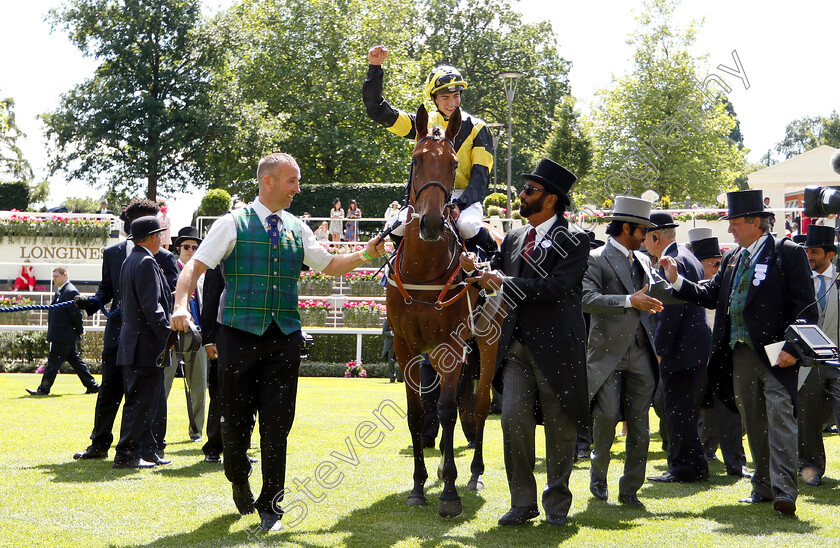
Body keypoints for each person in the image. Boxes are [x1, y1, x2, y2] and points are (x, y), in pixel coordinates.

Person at [171, 152, 386, 532]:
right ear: (268, 181)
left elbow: (328, 265)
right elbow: (194, 267)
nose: (297, 190)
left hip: (284, 337)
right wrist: (180, 305)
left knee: (277, 423)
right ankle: (238, 475)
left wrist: (364, 254)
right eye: (292, 181)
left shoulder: (298, 228)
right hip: (237, 335)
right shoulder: (231, 223)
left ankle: (271, 503)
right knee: (236, 420)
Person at [660, 189, 817, 516]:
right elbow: (708, 294)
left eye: (735, 223)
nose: (729, 229)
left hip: (777, 353)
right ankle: (761, 486)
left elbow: (806, 307)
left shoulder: (787, 252)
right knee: (755, 422)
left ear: (756, 222)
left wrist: (792, 348)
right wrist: (676, 281)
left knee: (780, 422)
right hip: (739, 355)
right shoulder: (733, 258)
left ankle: (785, 491)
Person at [464, 158, 589, 526]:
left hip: (557, 349)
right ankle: (522, 502)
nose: (521, 195)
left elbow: (554, 287)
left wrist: (504, 282)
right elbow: (501, 280)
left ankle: (557, 505)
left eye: (529, 191)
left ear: (551, 200)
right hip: (515, 347)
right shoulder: (517, 237)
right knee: (513, 423)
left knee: (559, 428)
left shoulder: (576, 238)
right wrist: (481, 270)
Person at [583, 195, 673, 509]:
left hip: (642, 352)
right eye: (643, 231)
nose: (648, 237)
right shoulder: (596, 258)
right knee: (606, 418)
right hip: (607, 353)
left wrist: (677, 281)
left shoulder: (645, 260)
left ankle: (630, 489)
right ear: (626, 228)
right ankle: (598, 476)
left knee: (640, 426)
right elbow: (585, 298)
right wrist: (627, 301)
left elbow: (660, 290)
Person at [363, 45, 497, 256]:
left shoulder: (478, 128)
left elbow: (480, 178)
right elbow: (377, 110)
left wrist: (458, 205)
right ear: (434, 99)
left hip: (465, 197)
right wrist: (375, 67)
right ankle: (394, 273)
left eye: (456, 96)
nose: (452, 103)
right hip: (426, 194)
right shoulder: (421, 125)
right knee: (395, 226)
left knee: (468, 227)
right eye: (445, 97)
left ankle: (491, 264)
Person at [73, 198, 178, 461]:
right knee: (111, 390)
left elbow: (168, 295)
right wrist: (92, 303)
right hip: (121, 332)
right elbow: (105, 290)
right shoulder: (114, 254)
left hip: (146, 333)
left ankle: (151, 447)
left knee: (151, 393)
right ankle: (100, 444)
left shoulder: (163, 257)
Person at [643, 213, 712, 483]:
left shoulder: (672, 261)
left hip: (681, 348)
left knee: (677, 411)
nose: (643, 244)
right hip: (693, 345)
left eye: (646, 238)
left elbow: (669, 312)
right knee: (684, 411)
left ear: (656, 236)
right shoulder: (687, 255)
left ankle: (683, 469)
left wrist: (659, 348)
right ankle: (695, 467)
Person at [687, 227, 750, 478]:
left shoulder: (728, 283)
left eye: (719, 262)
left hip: (724, 356)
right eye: (713, 263)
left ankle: (736, 463)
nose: (717, 267)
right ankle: (693, 458)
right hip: (696, 356)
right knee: (691, 411)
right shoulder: (694, 290)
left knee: (729, 411)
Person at [113, 216, 173, 468]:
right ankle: (127, 455)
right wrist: (170, 334)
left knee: (142, 400)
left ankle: (146, 451)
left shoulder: (131, 260)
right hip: (145, 345)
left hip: (134, 343)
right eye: (159, 234)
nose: (162, 238)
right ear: (151, 237)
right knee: (140, 402)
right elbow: (152, 307)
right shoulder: (146, 261)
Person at [797, 224, 840, 487]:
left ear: (830, 255)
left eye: (814, 252)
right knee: (808, 418)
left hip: (838, 361)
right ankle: (811, 471)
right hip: (808, 363)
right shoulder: (800, 283)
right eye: (807, 252)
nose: (809, 256)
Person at [26, 266, 99, 396]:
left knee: (53, 362)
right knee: (76, 361)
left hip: (64, 335)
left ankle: (43, 389)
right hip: (63, 335)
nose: (54, 279)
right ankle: (93, 386)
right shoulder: (62, 291)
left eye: (56, 276)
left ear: (65, 275)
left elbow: (76, 314)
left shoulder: (70, 291)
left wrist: (80, 329)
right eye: (53, 276)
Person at [164, 226, 208, 442]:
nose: (191, 250)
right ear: (178, 248)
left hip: (197, 334)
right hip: (171, 334)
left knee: (199, 385)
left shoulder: (203, 274)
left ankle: (196, 430)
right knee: (164, 382)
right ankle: (156, 430)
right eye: (186, 246)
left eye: (195, 247)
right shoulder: (168, 271)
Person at [381, 318, 401, 383]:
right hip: (391, 345)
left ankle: (400, 378)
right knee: (391, 362)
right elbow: (384, 333)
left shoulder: (401, 319)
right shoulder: (388, 320)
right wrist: (391, 333)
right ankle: (392, 378)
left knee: (402, 362)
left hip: (401, 344)